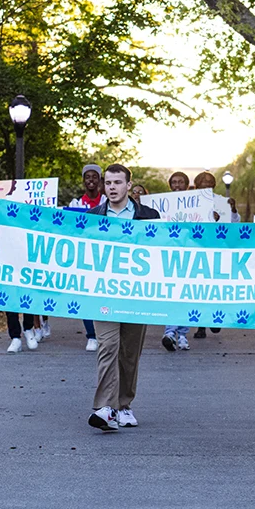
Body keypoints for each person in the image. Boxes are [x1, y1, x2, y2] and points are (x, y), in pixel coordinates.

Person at [86, 164, 160, 431]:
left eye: (117, 182)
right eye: (108, 183)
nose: (112, 187)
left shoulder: (149, 216)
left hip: (137, 296)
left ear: (129, 185)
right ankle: (106, 407)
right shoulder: (93, 217)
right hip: (103, 295)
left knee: (130, 353)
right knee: (107, 346)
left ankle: (124, 405)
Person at [191, 171, 239, 339]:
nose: (207, 184)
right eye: (203, 181)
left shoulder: (221, 201)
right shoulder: (188, 202)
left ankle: (214, 318)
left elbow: (234, 224)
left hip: (216, 250)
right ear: (196, 184)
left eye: (210, 182)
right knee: (199, 289)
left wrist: (232, 210)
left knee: (214, 286)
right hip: (195, 250)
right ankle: (201, 325)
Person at [67, 164, 106, 351]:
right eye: (87, 177)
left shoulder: (108, 201)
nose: (91, 180)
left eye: (95, 177)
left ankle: (104, 333)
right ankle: (91, 335)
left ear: (100, 180)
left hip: (106, 255)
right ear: (83, 180)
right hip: (84, 255)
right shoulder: (75, 205)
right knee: (85, 294)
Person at [162, 171, 192, 351]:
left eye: (181, 182)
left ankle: (182, 334)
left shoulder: (197, 205)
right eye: (174, 182)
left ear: (187, 185)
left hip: (189, 255)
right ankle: (170, 332)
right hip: (169, 255)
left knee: (186, 296)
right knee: (171, 294)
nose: (177, 185)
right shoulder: (163, 205)